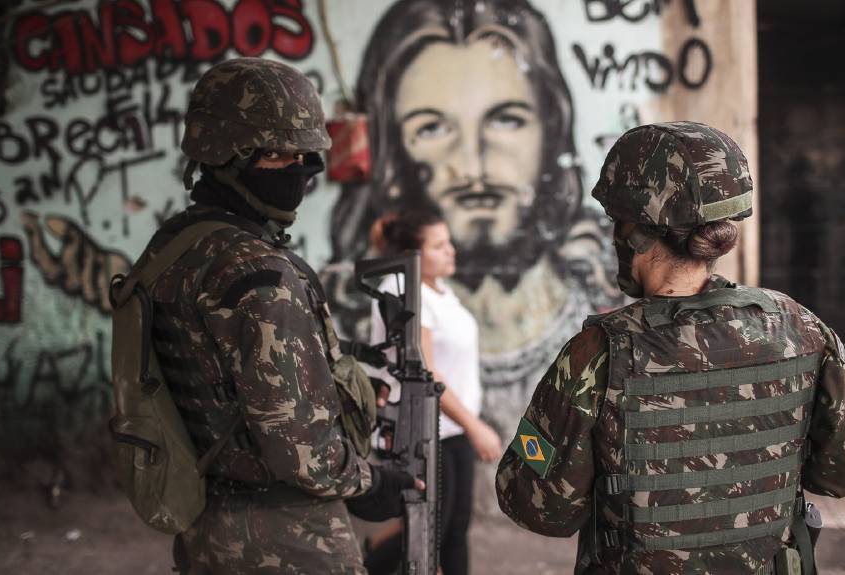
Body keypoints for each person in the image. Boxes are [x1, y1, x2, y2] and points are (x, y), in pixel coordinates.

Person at [496, 122, 845, 574]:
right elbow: (842, 474)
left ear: (633, 232)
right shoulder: (801, 326)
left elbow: (540, 507)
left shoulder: (599, 352)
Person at [138, 57, 413, 574]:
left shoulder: (172, 248)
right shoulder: (259, 273)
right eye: (277, 155)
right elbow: (300, 451)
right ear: (227, 157)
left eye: (305, 154)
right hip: (287, 538)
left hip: (205, 520)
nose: (301, 170)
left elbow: (223, 380)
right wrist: (368, 483)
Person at [322, 0, 621, 439]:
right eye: (431, 128)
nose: (472, 165)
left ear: (551, 128)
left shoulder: (605, 303)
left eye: (505, 120)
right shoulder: (376, 305)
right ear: (394, 155)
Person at [363, 209, 502, 575]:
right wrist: (475, 426)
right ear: (414, 255)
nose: (451, 251)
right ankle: (368, 561)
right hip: (422, 430)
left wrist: (467, 425)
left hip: (451, 427)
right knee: (429, 532)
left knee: (453, 529)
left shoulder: (439, 289)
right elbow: (424, 369)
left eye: (448, 242)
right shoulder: (403, 289)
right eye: (439, 246)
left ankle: (368, 557)